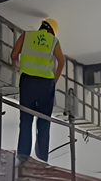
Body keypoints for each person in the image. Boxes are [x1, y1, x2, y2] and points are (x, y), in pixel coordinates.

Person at [11, 18, 65, 165]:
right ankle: (42, 159)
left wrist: (16, 66)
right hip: (46, 84)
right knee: (44, 121)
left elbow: (14, 54)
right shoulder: (53, 41)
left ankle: (23, 156)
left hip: (28, 81)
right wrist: (54, 81)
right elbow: (61, 61)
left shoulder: (27, 35)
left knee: (26, 119)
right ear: (51, 30)